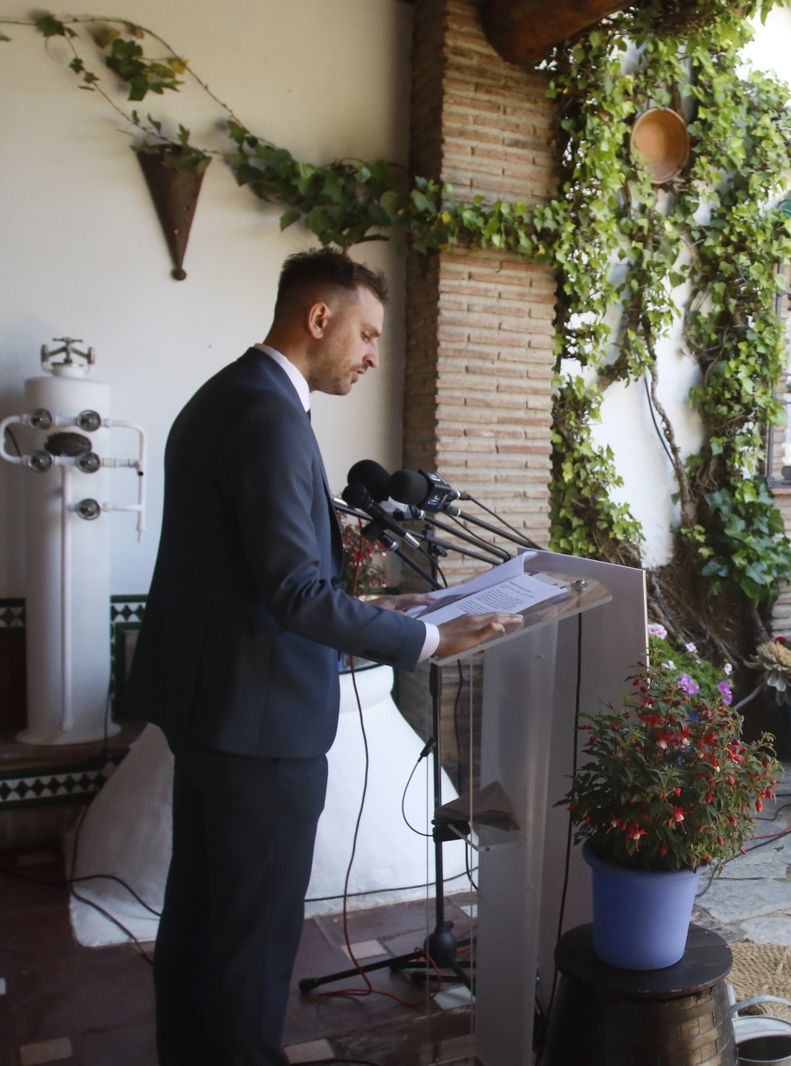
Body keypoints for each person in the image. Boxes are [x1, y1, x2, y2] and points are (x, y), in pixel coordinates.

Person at [122, 249, 521, 1066]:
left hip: (214, 713)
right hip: (259, 728)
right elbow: (294, 596)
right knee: (252, 948)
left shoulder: (227, 396)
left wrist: (383, 605)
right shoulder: (271, 416)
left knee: (200, 925)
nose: (373, 355)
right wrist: (430, 637)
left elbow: (249, 577)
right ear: (318, 318)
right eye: (367, 334)